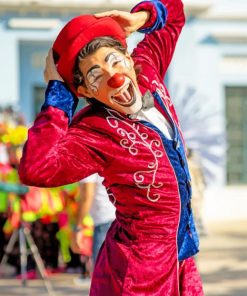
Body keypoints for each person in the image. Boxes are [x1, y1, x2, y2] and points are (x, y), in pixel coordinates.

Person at [19, 0, 204, 294]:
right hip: (139, 273)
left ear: (129, 58)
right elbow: (36, 169)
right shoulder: (94, 129)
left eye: (115, 61)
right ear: (83, 92)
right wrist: (58, 98)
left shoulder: (148, 71)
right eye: (95, 76)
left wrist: (141, 18)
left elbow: (175, 13)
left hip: (183, 259)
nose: (114, 77)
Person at [71, 174, 115, 266]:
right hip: (116, 217)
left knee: (102, 274)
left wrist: (78, 228)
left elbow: (87, 195)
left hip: (104, 220)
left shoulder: (88, 163)